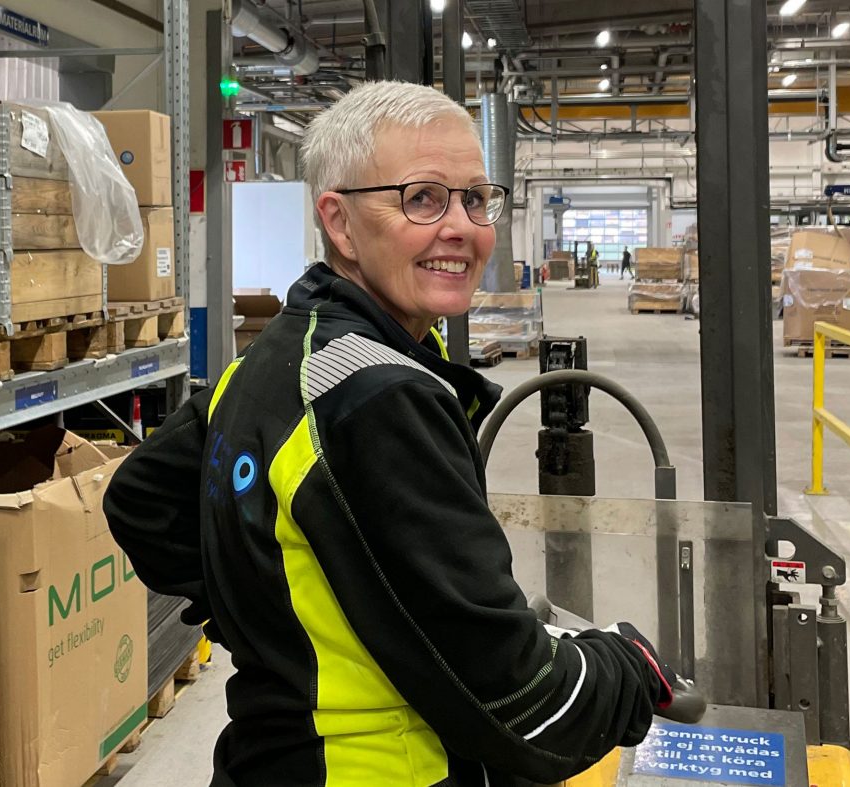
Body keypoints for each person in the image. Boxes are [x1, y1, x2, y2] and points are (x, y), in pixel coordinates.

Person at [102, 81, 680, 787]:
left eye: (476, 198)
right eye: (423, 198)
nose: (462, 226)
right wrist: (625, 669)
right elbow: (524, 707)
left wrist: (278, 617)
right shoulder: (378, 397)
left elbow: (141, 496)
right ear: (340, 222)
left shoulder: (285, 352)